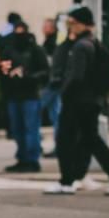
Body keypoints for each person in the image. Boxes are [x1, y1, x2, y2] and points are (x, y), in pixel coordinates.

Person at [44, 6, 109, 196]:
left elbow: (76, 76)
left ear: (81, 24)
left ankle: (67, 181)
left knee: (65, 140)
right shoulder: (93, 43)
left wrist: (64, 92)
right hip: (92, 100)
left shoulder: (80, 46)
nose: (70, 27)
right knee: (90, 139)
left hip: (77, 101)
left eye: (72, 23)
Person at [0, 22, 49, 173]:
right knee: (17, 129)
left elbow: (45, 72)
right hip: (14, 95)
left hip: (30, 95)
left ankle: (32, 159)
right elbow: (2, 71)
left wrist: (28, 77)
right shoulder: (9, 50)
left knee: (31, 129)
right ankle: (22, 158)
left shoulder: (35, 50)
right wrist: (10, 76)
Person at [40, 17, 63, 157]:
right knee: (56, 115)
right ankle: (58, 146)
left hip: (51, 83)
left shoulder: (52, 42)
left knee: (35, 109)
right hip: (55, 83)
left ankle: (37, 144)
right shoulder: (53, 41)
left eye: (46, 26)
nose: (43, 28)